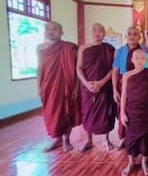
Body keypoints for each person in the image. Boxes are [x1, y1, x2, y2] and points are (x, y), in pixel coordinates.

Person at [37, 21, 81, 152]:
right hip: (48, 86)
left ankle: (66, 140)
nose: (51, 32)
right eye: (48, 29)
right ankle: (57, 140)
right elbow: (39, 68)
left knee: (66, 112)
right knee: (51, 113)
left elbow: (77, 69)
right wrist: (39, 86)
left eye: (54, 29)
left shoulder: (70, 47)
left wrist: (77, 87)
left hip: (66, 85)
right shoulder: (40, 48)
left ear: (61, 32)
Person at [76, 23, 116, 152]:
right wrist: (86, 83)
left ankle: (106, 139)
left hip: (104, 86)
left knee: (106, 113)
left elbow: (113, 69)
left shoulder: (110, 49)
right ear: (90, 32)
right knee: (88, 112)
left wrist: (102, 82)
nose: (97, 33)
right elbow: (79, 67)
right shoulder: (83, 48)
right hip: (88, 87)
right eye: (94, 30)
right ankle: (89, 140)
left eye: (100, 31)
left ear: (104, 33)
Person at [120, 49, 148, 176]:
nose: (140, 61)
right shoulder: (127, 75)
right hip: (132, 112)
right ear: (132, 60)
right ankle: (131, 162)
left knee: (146, 138)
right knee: (130, 137)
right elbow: (124, 95)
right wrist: (122, 113)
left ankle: (144, 162)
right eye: (137, 58)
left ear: (146, 60)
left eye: (142, 58)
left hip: (146, 112)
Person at [112, 26, 148, 149]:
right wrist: (114, 89)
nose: (132, 36)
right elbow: (115, 71)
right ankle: (124, 137)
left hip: (141, 85)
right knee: (123, 111)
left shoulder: (146, 51)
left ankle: (140, 139)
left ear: (139, 37)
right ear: (126, 36)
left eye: (135, 34)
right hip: (124, 84)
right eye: (129, 34)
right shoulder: (119, 51)